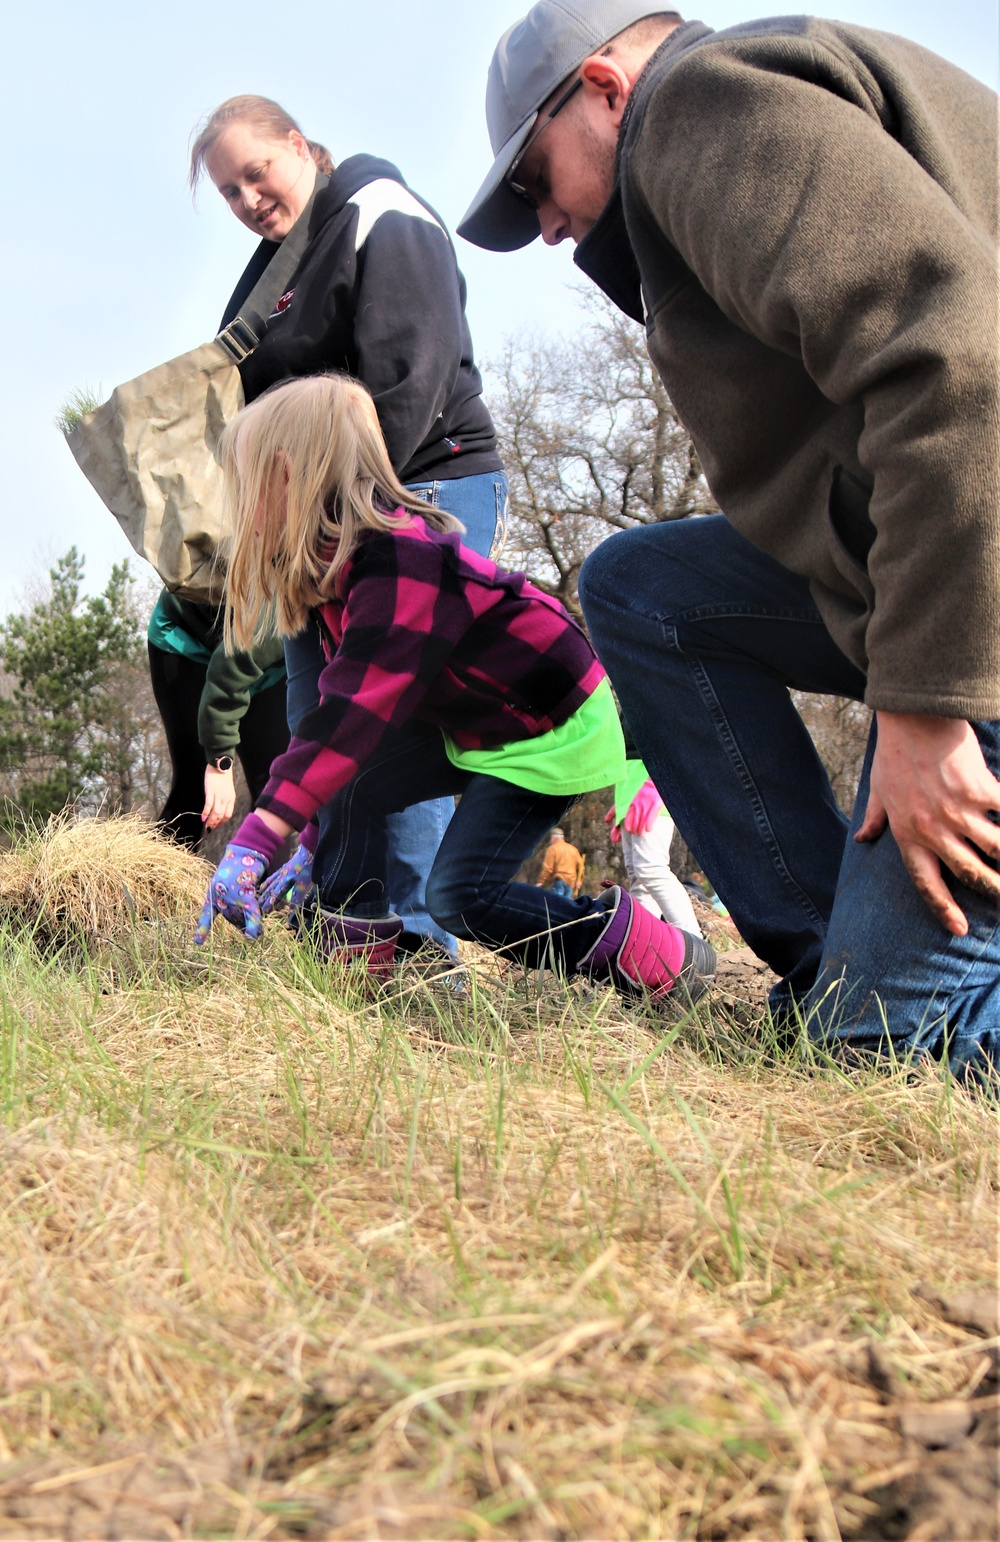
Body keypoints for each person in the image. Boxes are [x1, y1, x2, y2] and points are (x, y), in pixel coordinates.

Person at [459, 2, 1000, 1077]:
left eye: (535, 180)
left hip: (975, 576)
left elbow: (954, 365)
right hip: (926, 555)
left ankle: (865, 1009)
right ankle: (829, 968)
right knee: (642, 587)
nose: (549, 227)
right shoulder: (700, 153)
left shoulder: (703, 106)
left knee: (884, 1054)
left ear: (605, 88)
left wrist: (926, 705)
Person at [192, 374, 717, 1010]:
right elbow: (350, 742)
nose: (239, 506)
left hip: (548, 727)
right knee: (353, 786)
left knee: (462, 898)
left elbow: (348, 719)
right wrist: (310, 846)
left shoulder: (397, 561)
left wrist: (260, 835)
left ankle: (654, 953)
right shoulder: (340, 572)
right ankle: (351, 965)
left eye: (244, 485)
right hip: (480, 723)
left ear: (284, 476)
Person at [189, 94, 509, 959]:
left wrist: (347, 521)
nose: (248, 198)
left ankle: (411, 949)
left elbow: (406, 382)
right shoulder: (265, 278)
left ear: (300, 145)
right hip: (317, 527)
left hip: (421, 487)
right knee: (312, 714)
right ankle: (341, 932)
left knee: (392, 710)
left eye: (256, 172)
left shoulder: (380, 214)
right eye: (228, 191)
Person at [148, 587, 289, 850]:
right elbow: (231, 665)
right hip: (189, 640)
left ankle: (260, 891)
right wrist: (219, 762)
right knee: (194, 787)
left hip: (266, 662)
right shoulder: (300, 597)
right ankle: (147, 887)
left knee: (274, 798)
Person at [606, 759, 702, 936]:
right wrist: (623, 802)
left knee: (651, 870)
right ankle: (642, 945)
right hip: (630, 794)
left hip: (652, 791)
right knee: (638, 878)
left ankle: (694, 942)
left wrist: (656, 784)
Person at [537, 827, 585, 899]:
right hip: (571, 882)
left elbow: (547, 868)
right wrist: (579, 881)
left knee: (556, 904)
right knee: (565, 906)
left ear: (553, 837)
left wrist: (541, 881)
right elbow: (581, 866)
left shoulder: (552, 849)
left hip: (558, 880)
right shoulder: (573, 849)